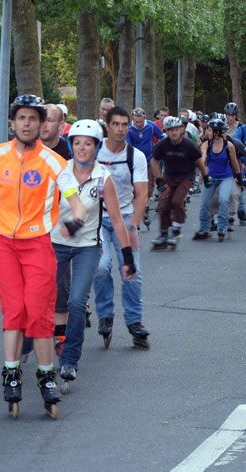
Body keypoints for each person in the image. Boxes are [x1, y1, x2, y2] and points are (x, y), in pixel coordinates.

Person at [0, 94, 85, 420]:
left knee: (38, 312)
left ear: (42, 124)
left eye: (33, 118)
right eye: (21, 118)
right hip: (3, 243)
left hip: (37, 244)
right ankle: (11, 371)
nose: (26, 123)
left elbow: (73, 197)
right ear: (11, 123)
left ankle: (46, 376)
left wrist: (76, 216)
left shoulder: (53, 161)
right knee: (15, 309)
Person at [52, 119, 136, 391]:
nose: (82, 148)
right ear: (71, 145)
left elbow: (117, 220)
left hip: (87, 246)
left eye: (88, 143)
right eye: (77, 143)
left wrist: (128, 257)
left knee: (77, 302)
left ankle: (70, 359)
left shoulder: (103, 179)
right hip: (54, 244)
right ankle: (34, 341)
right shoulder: (59, 172)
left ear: (96, 147)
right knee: (47, 298)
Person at [94, 106, 150, 349]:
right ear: (107, 125)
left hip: (125, 218)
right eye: (115, 124)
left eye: (124, 124)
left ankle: (135, 322)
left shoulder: (134, 156)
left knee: (131, 272)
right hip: (96, 219)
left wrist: (133, 225)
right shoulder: (94, 151)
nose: (120, 129)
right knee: (101, 266)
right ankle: (105, 315)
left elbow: (142, 193)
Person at [150, 116, 208, 250]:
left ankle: (176, 228)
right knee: (163, 205)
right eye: (170, 130)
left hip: (186, 177)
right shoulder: (163, 145)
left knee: (176, 201)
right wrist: (159, 178)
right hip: (169, 178)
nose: (174, 132)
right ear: (166, 132)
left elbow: (199, 160)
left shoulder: (188, 145)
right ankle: (164, 234)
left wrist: (206, 176)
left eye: (176, 129)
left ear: (181, 130)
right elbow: (154, 161)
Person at [195, 118, 242, 242]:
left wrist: (239, 176)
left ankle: (222, 227)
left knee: (223, 200)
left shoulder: (228, 145)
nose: (207, 132)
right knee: (204, 202)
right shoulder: (206, 144)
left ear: (217, 132)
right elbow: (203, 154)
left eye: (209, 130)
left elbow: (234, 161)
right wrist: (203, 158)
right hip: (210, 177)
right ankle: (204, 228)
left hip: (226, 177)